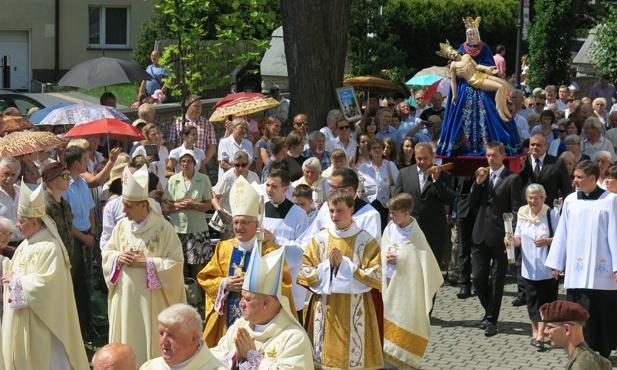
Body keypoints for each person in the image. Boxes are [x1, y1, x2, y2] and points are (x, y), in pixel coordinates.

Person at [197, 176, 296, 348]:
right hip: (227, 314)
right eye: (235, 222)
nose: (238, 227)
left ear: (256, 224)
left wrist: (258, 287)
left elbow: (284, 286)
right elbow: (206, 278)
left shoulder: (270, 250)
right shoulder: (224, 248)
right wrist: (224, 283)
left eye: (244, 222)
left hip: (259, 318)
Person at [102, 165, 187, 365]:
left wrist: (147, 263)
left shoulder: (163, 229)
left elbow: (176, 264)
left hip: (151, 304)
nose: (123, 210)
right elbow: (108, 252)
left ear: (143, 205)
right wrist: (117, 257)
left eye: (128, 206)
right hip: (124, 302)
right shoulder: (122, 226)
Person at [2, 182, 89, 370]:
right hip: (22, 318)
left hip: (43, 322)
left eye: (20, 221)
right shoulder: (24, 245)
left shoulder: (51, 247)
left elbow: (49, 286)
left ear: (34, 222)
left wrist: (16, 280)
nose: (17, 225)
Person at [298, 189, 383, 369]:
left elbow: (377, 274)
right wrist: (326, 267)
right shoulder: (319, 239)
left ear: (351, 210)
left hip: (357, 306)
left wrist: (346, 266)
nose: (334, 215)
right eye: (331, 210)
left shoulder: (366, 241)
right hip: (324, 307)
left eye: (339, 210)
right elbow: (304, 271)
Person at [545, 160, 617, 358]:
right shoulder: (570, 200)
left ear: (592, 178)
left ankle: (602, 350)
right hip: (577, 269)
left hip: (601, 268)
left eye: (579, 177)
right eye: (574, 177)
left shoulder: (610, 200)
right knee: (578, 309)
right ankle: (579, 348)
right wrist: (556, 262)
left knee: (600, 309)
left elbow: (615, 234)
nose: (575, 180)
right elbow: (562, 232)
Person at [211, 235, 313, 369]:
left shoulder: (293, 338)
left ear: (265, 303)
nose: (241, 304)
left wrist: (254, 357)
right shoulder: (240, 326)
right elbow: (212, 357)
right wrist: (236, 355)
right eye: (242, 297)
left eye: (247, 299)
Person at [436, 18, 521, 157]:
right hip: (466, 86)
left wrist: (488, 70)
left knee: (500, 86)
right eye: (469, 34)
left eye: (473, 33)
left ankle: (502, 110)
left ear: (477, 34)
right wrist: (455, 94)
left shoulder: (483, 48)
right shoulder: (462, 50)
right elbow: (454, 80)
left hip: (481, 77)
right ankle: (460, 145)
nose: (471, 36)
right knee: (464, 112)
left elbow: (484, 64)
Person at [381, 193, 443, 369]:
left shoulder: (416, 237)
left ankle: (402, 361)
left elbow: (424, 266)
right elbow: (381, 251)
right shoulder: (389, 229)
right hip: (387, 286)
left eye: (394, 213)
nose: (391, 216)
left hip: (407, 293)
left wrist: (400, 259)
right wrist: (386, 257)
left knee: (404, 326)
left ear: (406, 213)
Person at [468, 141, 523, 337]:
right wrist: (477, 184)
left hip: (500, 236)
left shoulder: (512, 179)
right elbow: (470, 204)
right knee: (478, 278)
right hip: (480, 234)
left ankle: (491, 320)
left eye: (494, 155)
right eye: (488, 155)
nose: (490, 159)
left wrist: (512, 234)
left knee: (497, 281)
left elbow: (516, 208)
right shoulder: (482, 177)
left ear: (502, 156)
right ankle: (489, 310)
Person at [511, 184, 559, 350]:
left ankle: (541, 333)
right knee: (532, 302)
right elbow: (518, 237)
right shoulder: (522, 213)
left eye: (537, 197)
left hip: (548, 268)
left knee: (546, 302)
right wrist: (511, 240)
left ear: (544, 199)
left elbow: (561, 238)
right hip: (528, 268)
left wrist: (547, 241)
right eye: (530, 197)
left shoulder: (552, 214)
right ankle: (535, 331)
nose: (533, 201)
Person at [393, 142, 454, 265]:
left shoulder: (445, 175)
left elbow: (448, 199)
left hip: (434, 233)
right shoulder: (404, 173)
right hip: (409, 232)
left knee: (431, 276)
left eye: (425, 158)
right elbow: (396, 201)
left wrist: (437, 180)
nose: (422, 162)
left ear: (432, 156)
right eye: (419, 158)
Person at [263, 169, 309, 322]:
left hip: (290, 274)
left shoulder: (298, 214)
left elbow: (303, 248)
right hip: (266, 272)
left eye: (274, 186)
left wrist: (276, 240)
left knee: (291, 317)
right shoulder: (260, 210)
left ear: (285, 189)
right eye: (267, 185)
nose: (269, 190)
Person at [63, 145, 97, 341]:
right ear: (76, 163)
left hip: (88, 236)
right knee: (76, 283)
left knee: (87, 280)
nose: (87, 162)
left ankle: (89, 325)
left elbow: (91, 210)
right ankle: (78, 329)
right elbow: (67, 221)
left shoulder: (83, 183)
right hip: (75, 240)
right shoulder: (65, 185)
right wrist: (84, 238)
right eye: (85, 160)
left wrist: (92, 233)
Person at [165, 151, 213, 280]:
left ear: (195, 163)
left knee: (197, 263)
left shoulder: (203, 179)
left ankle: (196, 294)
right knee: (179, 262)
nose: (186, 164)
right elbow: (167, 205)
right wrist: (179, 205)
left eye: (189, 161)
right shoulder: (173, 180)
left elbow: (208, 205)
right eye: (183, 161)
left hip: (197, 227)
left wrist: (195, 205)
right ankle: (182, 292)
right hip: (177, 228)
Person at [140, 304, 225, 370]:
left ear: (193, 339)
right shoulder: (149, 367)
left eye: (171, 335)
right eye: (161, 333)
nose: (163, 341)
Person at [541, 300, 612, 369]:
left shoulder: (581, 366)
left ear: (567, 329)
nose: (545, 331)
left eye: (549, 327)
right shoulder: (599, 359)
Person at [211, 151, 259, 241]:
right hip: (230, 220)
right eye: (237, 165)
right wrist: (220, 211)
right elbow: (214, 196)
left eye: (243, 165)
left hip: (247, 219)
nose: (240, 168)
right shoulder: (227, 177)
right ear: (233, 164)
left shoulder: (254, 177)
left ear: (248, 164)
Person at [358, 137, 399, 230]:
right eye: (374, 148)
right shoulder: (363, 168)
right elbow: (359, 188)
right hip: (367, 206)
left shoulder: (389, 165)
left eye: (379, 147)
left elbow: (398, 184)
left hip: (384, 206)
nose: (377, 150)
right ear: (369, 151)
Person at [167, 95, 217, 165]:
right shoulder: (177, 123)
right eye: (195, 106)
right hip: (182, 165)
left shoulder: (207, 124)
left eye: (200, 106)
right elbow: (171, 145)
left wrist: (201, 164)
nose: (198, 109)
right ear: (187, 106)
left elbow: (212, 148)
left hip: (200, 164)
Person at [42, 162, 73, 253]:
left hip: (67, 256)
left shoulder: (65, 204)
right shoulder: (44, 206)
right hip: (52, 256)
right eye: (65, 176)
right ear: (53, 180)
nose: (69, 179)